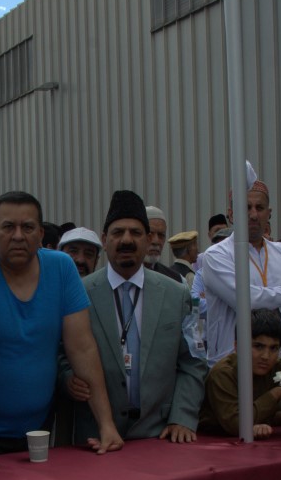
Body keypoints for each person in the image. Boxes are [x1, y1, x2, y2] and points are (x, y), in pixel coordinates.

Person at [0, 190, 123, 469]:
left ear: (40, 234)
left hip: (40, 429)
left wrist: (107, 425)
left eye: (27, 227)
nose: (18, 236)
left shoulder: (62, 268)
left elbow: (83, 348)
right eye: (8, 227)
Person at [61, 190, 205, 444]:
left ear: (148, 240)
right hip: (95, 436)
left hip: (159, 435)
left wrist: (182, 417)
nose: (126, 240)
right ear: (105, 240)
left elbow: (193, 361)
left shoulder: (177, 294)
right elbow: (60, 352)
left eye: (135, 233)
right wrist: (67, 377)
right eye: (118, 232)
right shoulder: (78, 294)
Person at [199, 178, 281, 364]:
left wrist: (276, 317)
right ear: (231, 214)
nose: (253, 215)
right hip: (231, 363)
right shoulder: (216, 255)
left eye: (259, 208)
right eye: (246, 207)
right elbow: (246, 300)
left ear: (269, 213)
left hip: (279, 361)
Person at [200, 308, 281, 439]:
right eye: (258, 346)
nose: (266, 356)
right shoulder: (223, 374)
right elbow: (236, 424)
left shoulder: (277, 368)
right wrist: (276, 394)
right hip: (214, 441)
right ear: (237, 346)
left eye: (273, 348)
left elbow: (269, 416)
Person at [144, 205, 183, 282]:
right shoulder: (123, 275)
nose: (156, 241)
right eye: (150, 234)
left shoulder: (174, 280)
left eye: (161, 235)